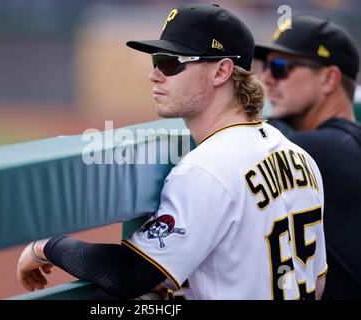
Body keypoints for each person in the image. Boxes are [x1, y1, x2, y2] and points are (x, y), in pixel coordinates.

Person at [17, 4, 327, 300]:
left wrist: (48, 247)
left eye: (170, 62)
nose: (154, 74)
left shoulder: (207, 169)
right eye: (156, 62)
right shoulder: (299, 157)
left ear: (221, 72)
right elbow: (318, 281)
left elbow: (128, 276)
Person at [255, 14, 361, 299]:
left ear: (329, 79)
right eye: (266, 66)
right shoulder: (344, 144)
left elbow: (247, 137)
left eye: (280, 67)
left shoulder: (320, 151)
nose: (266, 78)